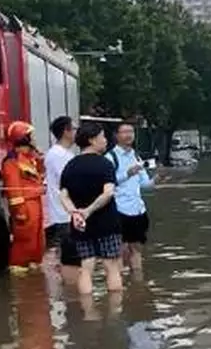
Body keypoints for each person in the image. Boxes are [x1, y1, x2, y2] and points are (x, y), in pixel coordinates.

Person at [59, 122, 123, 295]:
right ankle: (115, 307)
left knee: (86, 267)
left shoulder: (70, 166)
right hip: (107, 223)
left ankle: (87, 307)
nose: (105, 140)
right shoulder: (105, 164)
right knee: (111, 265)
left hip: (80, 225)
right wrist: (88, 210)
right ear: (92, 140)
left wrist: (75, 213)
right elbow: (108, 193)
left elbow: (63, 196)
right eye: (102, 137)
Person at [107, 123, 156, 273]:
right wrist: (127, 174)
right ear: (116, 135)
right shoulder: (110, 158)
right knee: (120, 251)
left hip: (138, 209)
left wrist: (157, 179)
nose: (129, 135)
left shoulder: (136, 156)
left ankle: (137, 281)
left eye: (131, 132)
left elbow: (145, 184)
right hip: (119, 209)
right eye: (125, 132)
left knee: (137, 249)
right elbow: (107, 183)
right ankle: (120, 280)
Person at [1, 122, 45, 274]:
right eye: (31, 136)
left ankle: (34, 266)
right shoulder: (11, 162)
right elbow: (13, 189)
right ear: (23, 138)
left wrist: (40, 159)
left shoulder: (29, 158)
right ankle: (18, 269)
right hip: (25, 205)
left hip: (35, 202)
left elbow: (39, 176)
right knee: (25, 237)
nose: (34, 139)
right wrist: (19, 210)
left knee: (38, 238)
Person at [43, 116, 80, 279]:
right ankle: (65, 289)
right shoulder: (58, 155)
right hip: (63, 214)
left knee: (66, 257)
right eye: (75, 129)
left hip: (67, 213)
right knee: (68, 258)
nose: (77, 132)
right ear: (66, 131)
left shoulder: (65, 154)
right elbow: (69, 181)